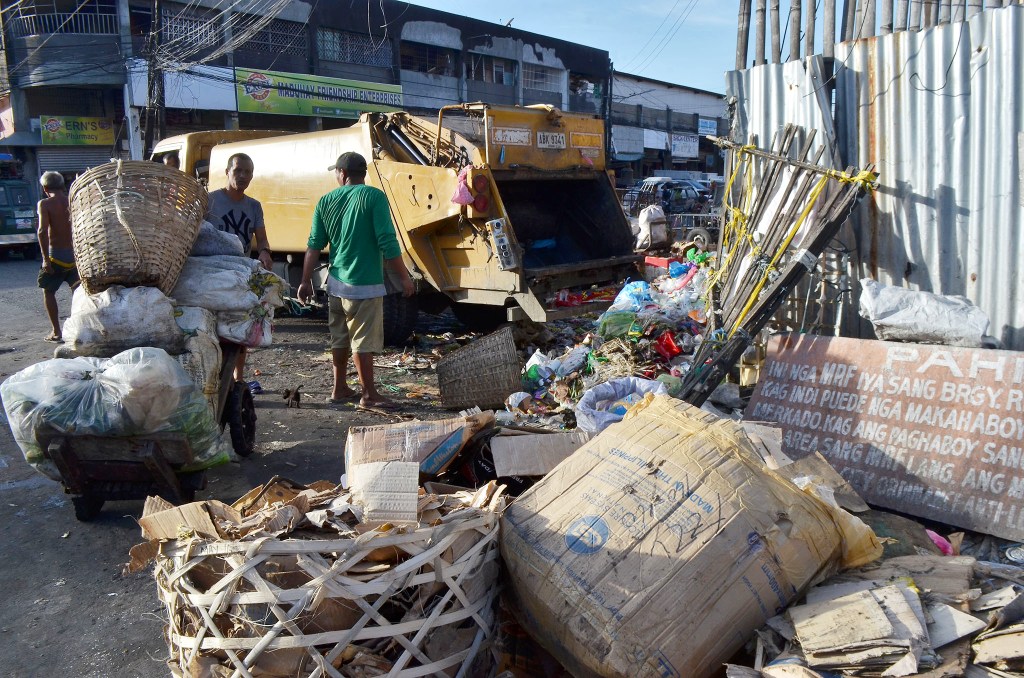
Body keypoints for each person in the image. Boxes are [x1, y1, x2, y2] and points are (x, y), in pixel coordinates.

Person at [296, 152, 414, 410]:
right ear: (362, 174)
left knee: (339, 337)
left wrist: (305, 281)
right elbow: (387, 241)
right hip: (365, 285)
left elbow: (313, 245)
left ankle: (339, 388)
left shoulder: (326, 200)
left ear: (343, 174)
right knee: (363, 341)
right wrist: (403, 277)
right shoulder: (374, 197)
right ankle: (369, 394)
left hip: (335, 284)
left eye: (336, 172)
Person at [205, 152, 274, 382]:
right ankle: (213, 377)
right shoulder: (210, 201)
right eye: (238, 171)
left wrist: (264, 251)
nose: (243, 176)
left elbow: (261, 238)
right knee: (214, 328)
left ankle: (238, 379)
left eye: (248, 172)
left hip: (241, 273)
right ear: (227, 172)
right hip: (213, 272)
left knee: (241, 326)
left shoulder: (254, 206)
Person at [36, 171, 79, 343]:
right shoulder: (73, 199)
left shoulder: (45, 204)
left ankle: (56, 331)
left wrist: (45, 259)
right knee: (78, 293)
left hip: (56, 257)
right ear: (62, 186)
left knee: (48, 291)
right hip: (75, 256)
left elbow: (42, 231)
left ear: (45, 188)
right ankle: (79, 326)